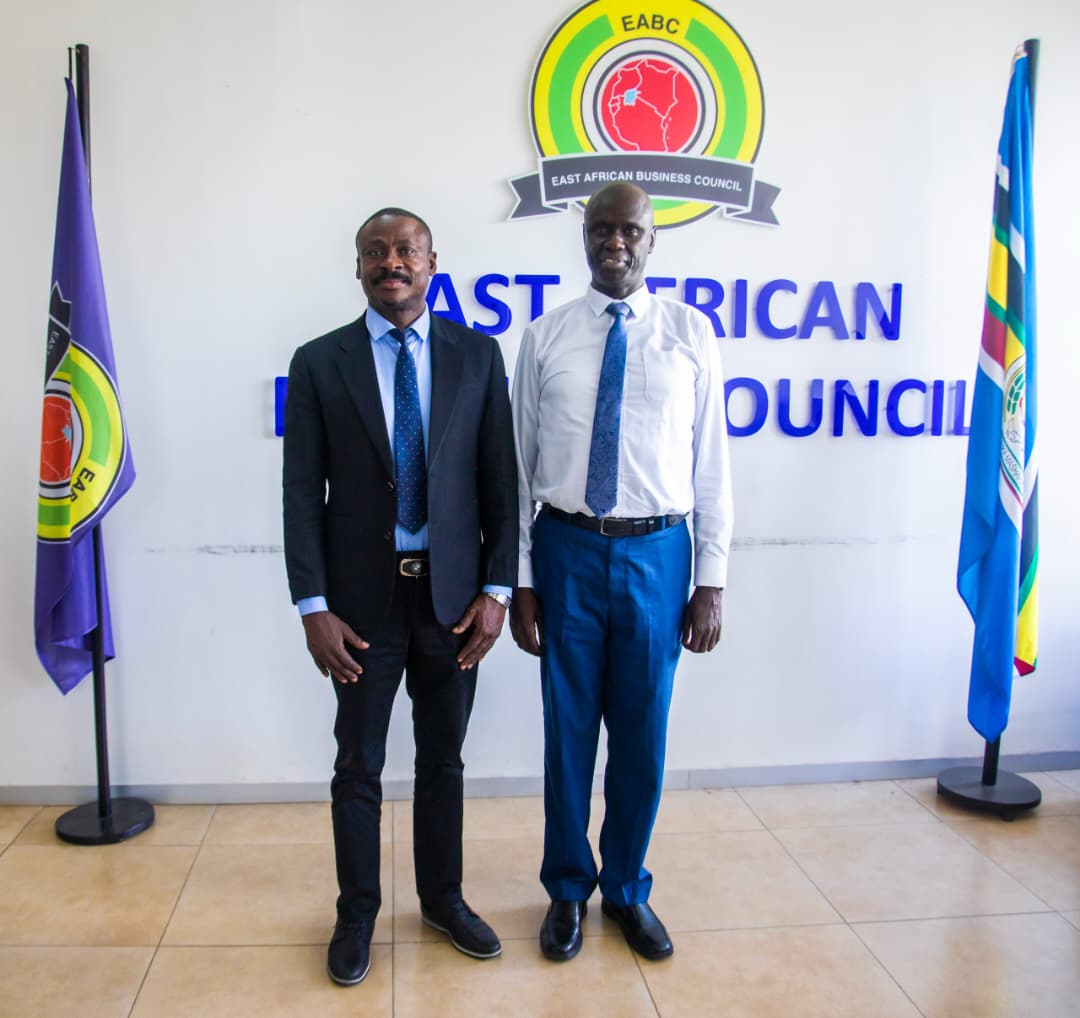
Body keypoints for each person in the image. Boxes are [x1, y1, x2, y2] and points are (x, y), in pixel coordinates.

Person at [283, 207, 517, 986]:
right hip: (359, 610)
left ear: (432, 263)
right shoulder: (320, 363)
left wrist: (497, 590)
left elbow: (500, 482)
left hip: (454, 604)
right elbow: (300, 494)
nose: (393, 263)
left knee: (443, 760)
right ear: (358, 267)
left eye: (406, 250)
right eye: (376, 252)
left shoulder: (477, 356)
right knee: (358, 764)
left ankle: (443, 900)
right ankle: (356, 915)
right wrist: (312, 606)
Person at [510, 181, 734, 963]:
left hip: (659, 555)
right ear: (584, 238)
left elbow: (712, 464)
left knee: (642, 734)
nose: (615, 242)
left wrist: (710, 579)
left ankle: (628, 888)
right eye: (601, 228)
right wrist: (523, 579)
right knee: (567, 731)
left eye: (629, 231)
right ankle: (568, 889)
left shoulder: (690, 333)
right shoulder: (544, 337)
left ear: (651, 240)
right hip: (566, 549)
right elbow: (517, 468)